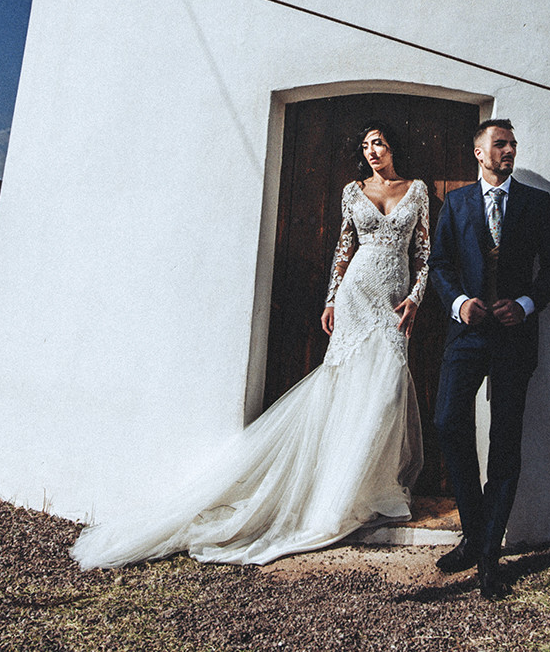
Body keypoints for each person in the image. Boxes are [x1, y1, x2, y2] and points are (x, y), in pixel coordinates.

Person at [71, 123, 430, 567]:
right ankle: (337, 490)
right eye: (365, 146)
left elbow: (423, 253)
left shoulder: (416, 190)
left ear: (392, 147)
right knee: (346, 388)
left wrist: (416, 298)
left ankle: (368, 485)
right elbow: (343, 248)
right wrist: (331, 298)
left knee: (386, 392)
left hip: (394, 299)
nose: (371, 151)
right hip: (356, 295)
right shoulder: (352, 191)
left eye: (378, 143)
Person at [429, 118, 550, 598]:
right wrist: (458, 303)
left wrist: (525, 304)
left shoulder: (535, 203)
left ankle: (489, 555)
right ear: (479, 153)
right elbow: (439, 264)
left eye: (513, 144)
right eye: (500, 144)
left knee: (505, 442)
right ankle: (474, 532)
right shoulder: (457, 203)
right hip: (466, 336)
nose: (509, 150)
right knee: (448, 422)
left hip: (513, 339)